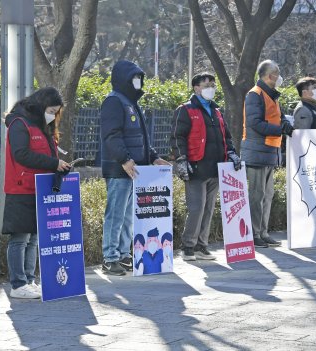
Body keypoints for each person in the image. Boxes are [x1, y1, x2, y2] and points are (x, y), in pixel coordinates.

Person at [100, 60, 170, 275]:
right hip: (120, 168)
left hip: (136, 169)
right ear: (123, 79)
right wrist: (124, 158)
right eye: (134, 78)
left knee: (129, 216)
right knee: (116, 214)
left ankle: (123, 254)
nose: (138, 81)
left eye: (139, 77)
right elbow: (112, 135)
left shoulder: (130, 102)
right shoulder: (114, 102)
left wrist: (154, 157)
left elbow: (139, 137)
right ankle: (109, 257)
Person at [2, 87, 71, 299]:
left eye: (56, 111)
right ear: (41, 105)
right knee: (20, 238)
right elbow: (21, 154)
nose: (52, 115)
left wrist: (59, 166)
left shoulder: (43, 126)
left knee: (33, 238)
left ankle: (29, 280)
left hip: (40, 188)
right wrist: (53, 163)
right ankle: (17, 283)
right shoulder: (19, 123)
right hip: (21, 188)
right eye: (51, 110)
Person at [171, 72, 240, 261]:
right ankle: (188, 247)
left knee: (209, 208)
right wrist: (181, 160)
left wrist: (232, 153)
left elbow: (226, 137)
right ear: (196, 88)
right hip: (196, 167)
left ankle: (202, 246)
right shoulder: (185, 110)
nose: (211, 87)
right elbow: (178, 137)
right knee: (196, 208)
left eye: (213, 84)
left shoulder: (216, 111)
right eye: (206, 84)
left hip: (215, 167)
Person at [240, 60, 294, 248]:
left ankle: (263, 232)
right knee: (257, 195)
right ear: (269, 76)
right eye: (277, 73)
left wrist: (284, 124)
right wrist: (280, 129)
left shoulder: (271, 96)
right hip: (257, 152)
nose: (279, 76)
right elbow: (255, 124)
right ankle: (254, 234)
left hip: (269, 151)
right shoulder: (255, 95)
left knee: (267, 194)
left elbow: (277, 117)